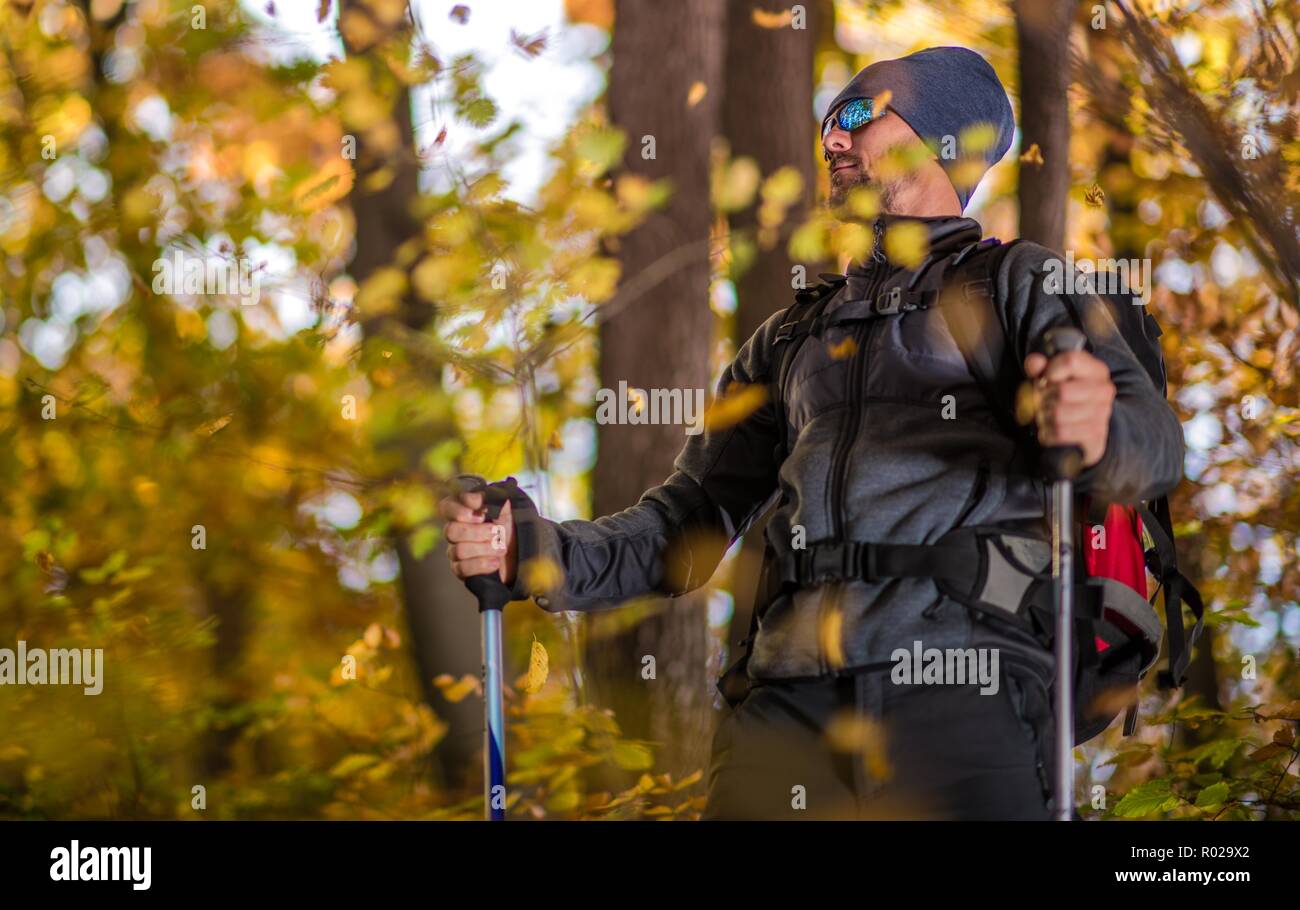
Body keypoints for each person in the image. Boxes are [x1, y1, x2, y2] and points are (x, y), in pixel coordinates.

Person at [437, 46, 1184, 819]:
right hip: (784, 711)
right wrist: (533, 551)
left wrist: (1100, 425)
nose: (831, 140)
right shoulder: (793, 337)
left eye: (858, 116)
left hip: (969, 693)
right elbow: (682, 524)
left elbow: (1154, 447)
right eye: (827, 122)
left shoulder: (1023, 283)